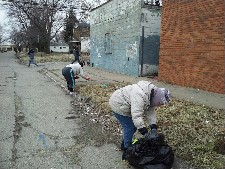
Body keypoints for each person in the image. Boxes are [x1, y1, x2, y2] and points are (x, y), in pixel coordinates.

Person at [109, 80, 171, 159]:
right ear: (157, 99)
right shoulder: (140, 95)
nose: (159, 105)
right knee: (129, 127)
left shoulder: (152, 95)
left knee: (133, 127)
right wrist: (144, 131)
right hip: (118, 104)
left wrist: (153, 126)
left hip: (126, 104)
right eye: (160, 103)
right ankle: (126, 148)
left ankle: (125, 142)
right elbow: (136, 114)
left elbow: (150, 111)